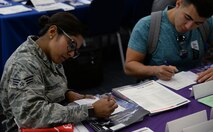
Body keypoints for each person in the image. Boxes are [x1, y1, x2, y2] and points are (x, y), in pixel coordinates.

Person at [0, 12, 118, 132]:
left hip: (52, 121)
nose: (72, 54)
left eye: (75, 51)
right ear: (52, 32)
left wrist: (68, 94)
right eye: (71, 45)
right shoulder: (24, 64)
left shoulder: (51, 54)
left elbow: (46, 87)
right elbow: (30, 117)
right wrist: (90, 110)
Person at [125, 0, 213, 82]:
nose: (188, 26)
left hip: (195, 83)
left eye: (198, 23)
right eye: (187, 17)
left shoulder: (207, 23)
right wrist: (154, 70)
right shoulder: (147, 26)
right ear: (178, 4)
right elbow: (129, 67)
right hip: (158, 87)